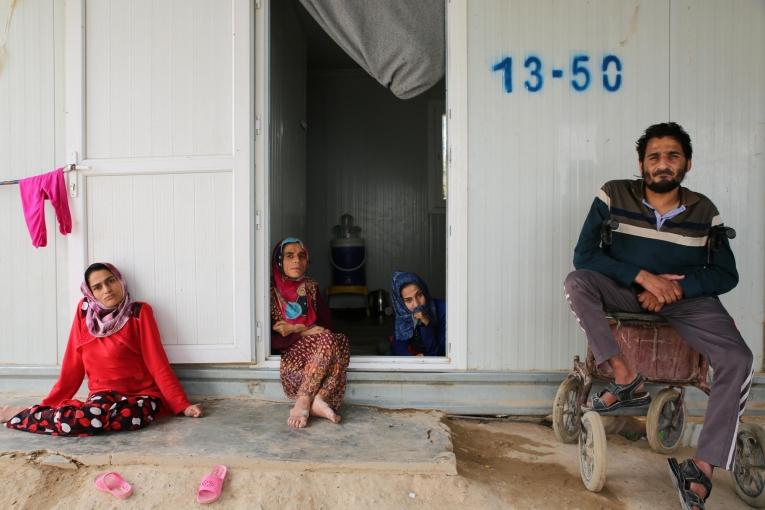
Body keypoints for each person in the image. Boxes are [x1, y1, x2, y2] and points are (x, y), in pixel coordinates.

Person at [563, 122, 752, 510]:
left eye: (672, 156)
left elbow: (725, 274)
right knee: (577, 281)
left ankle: (701, 468)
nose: (663, 164)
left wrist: (675, 290)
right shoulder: (613, 194)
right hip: (627, 290)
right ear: (641, 163)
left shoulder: (705, 210)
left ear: (688, 163)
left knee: (739, 359)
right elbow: (585, 255)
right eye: (655, 157)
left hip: (684, 298)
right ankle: (624, 376)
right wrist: (643, 279)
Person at [0, 262, 202, 436]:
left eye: (110, 280)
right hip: (103, 394)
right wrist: (50, 403)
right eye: (97, 287)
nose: (107, 289)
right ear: (90, 292)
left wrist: (181, 404)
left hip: (142, 395)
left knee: (129, 419)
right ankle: (22, 413)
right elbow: (73, 363)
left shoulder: (139, 312)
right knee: (87, 418)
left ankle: (31, 417)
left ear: (120, 280)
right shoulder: (84, 311)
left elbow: (157, 362)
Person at [270, 237, 350, 428]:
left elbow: (326, 325)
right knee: (329, 338)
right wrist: (301, 332)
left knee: (341, 340)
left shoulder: (311, 287)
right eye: (289, 256)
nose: (296, 260)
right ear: (279, 261)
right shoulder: (270, 292)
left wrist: (297, 327)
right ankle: (305, 399)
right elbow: (271, 340)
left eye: (301, 255)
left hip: (319, 353)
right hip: (295, 361)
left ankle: (318, 400)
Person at [390, 271, 446, 356]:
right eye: (409, 300)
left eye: (419, 295)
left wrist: (427, 324)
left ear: (425, 292)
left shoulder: (444, 310)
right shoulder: (403, 313)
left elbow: (440, 353)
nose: (416, 304)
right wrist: (412, 359)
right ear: (400, 303)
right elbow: (399, 347)